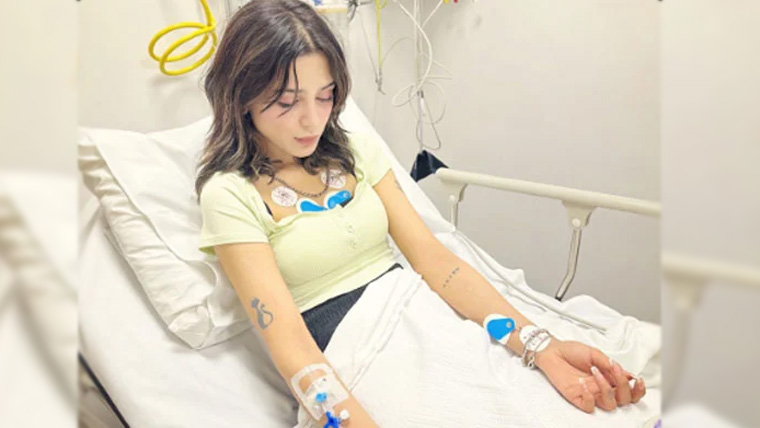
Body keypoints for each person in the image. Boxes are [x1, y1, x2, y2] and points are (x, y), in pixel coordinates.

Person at [195, 0, 647, 426]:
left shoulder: (355, 152)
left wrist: (540, 345)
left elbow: (435, 261)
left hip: (428, 321)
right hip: (358, 361)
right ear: (242, 96)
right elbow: (290, 342)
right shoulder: (229, 195)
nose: (312, 119)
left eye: (325, 96)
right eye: (287, 102)